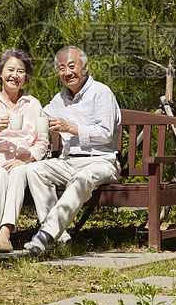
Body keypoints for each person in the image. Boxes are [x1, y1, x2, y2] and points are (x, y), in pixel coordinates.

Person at [24, 46, 121, 255]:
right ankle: (62, 237)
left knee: (82, 177)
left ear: (85, 67)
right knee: (34, 170)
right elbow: (37, 116)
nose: (67, 73)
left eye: (71, 66)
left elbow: (106, 133)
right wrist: (9, 97)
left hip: (101, 161)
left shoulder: (101, 93)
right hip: (68, 161)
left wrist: (71, 128)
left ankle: (45, 235)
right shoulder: (59, 99)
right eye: (61, 68)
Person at [0, 48, 48, 253]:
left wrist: (25, 159)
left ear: (26, 76)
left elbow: (42, 141)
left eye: (21, 71)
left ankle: (5, 232)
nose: (15, 75)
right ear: (0, 73)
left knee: (16, 172)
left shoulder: (34, 105)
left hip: (22, 165)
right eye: (10, 70)